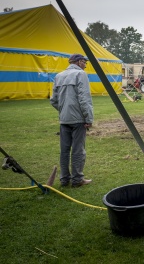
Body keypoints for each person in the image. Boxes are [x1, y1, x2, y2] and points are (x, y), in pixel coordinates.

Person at [50, 54, 93, 187]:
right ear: (79, 62)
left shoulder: (58, 76)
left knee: (64, 151)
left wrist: (64, 111)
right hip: (78, 119)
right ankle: (77, 180)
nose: (86, 65)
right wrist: (88, 118)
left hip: (64, 120)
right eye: (85, 62)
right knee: (78, 150)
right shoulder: (81, 75)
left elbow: (54, 100)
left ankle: (64, 180)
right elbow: (84, 98)